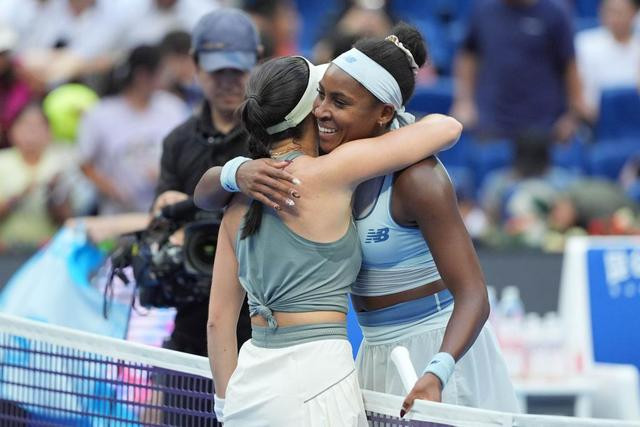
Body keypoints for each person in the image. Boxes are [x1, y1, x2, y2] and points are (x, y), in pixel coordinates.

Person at [197, 23, 519, 414]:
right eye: (321, 96)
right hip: (369, 353)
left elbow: (474, 295)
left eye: (339, 102)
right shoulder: (329, 167)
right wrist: (237, 170)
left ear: (384, 113)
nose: (321, 110)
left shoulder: (418, 180)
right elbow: (206, 194)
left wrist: (437, 372)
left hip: (440, 356)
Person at [153, 8, 261, 357]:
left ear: (256, 62)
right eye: (217, 71)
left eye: (237, 70)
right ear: (196, 65)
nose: (228, 81)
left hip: (260, 322)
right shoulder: (177, 141)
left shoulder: (273, 137)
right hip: (191, 316)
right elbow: (159, 226)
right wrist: (164, 212)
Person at [450, 0, 592, 141]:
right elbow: (468, 56)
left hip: (542, 126)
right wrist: (464, 101)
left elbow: (570, 66)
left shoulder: (555, 11)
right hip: (491, 122)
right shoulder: (483, 9)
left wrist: (572, 115)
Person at [77, 44, 187, 216]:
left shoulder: (173, 107)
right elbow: (84, 163)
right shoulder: (100, 114)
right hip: (118, 215)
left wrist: (168, 174)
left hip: (167, 211)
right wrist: (113, 190)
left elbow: (188, 151)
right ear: (142, 75)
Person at [0, 103, 72, 249]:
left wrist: (55, 194)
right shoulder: (3, 162)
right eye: (25, 126)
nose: (31, 133)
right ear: (12, 131)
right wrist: (19, 196)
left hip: (47, 248)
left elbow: (70, 219)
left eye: (38, 127)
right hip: (6, 248)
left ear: (49, 133)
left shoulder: (59, 164)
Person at [575, 0, 640, 114]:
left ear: (634, 13)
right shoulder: (584, 43)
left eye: (621, 12)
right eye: (610, 11)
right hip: (596, 118)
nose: (615, 18)